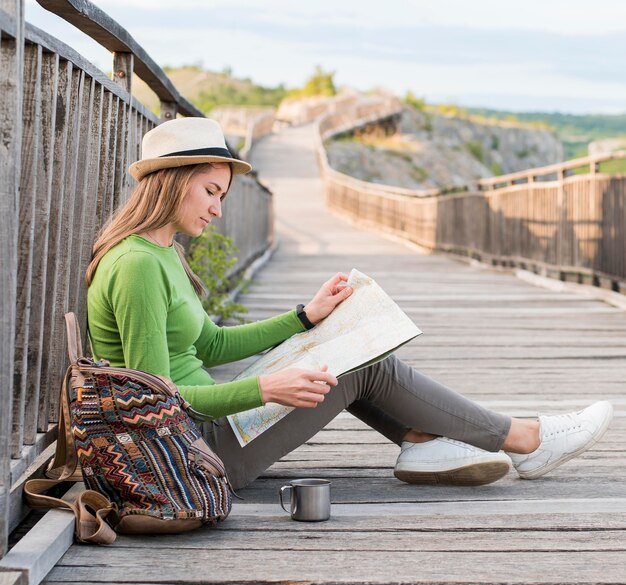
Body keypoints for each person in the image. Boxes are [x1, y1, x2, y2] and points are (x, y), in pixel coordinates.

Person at [86, 117, 614, 491]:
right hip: (191, 452)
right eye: (210, 192)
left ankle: (421, 439)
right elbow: (153, 401)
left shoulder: (162, 253)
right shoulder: (135, 265)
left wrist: (304, 317)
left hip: (196, 432)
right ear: (172, 182)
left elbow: (212, 343)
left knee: (341, 346)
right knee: (361, 369)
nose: (218, 210)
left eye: (222, 196)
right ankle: (525, 438)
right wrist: (266, 388)